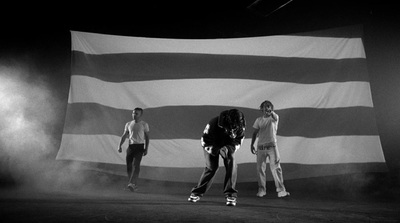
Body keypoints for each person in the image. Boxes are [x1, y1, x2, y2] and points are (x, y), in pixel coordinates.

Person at [188, 109, 246, 206]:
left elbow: (239, 141)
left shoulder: (241, 125)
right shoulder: (214, 123)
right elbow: (204, 141)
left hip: (228, 145)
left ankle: (231, 195)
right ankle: (196, 192)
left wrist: (229, 149)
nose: (233, 129)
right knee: (212, 167)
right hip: (211, 144)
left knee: (232, 164)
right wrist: (215, 150)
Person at [250, 100, 290, 198]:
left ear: (271, 108)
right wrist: (252, 145)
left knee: (276, 168)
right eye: (264, 106)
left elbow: (274, 116)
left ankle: (281, 190)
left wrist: (271, 113)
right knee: (260, 169)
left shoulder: (274, 118)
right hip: (261, 147)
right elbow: (255, 133)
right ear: (261, 108)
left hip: (272, 147)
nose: (266, 108)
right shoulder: (259, 120)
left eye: (268, 106)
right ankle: (261, 190)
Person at [118, 107, 150, 192]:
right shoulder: (128, 124)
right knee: (129, 166)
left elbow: (147, 138)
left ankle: (131, 183)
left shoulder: (144, 124)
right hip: (131, 147)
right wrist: (120, 145)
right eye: (133, 113)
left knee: (136, 165)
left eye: (136, 114)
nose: (134, 115)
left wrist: (146, 148)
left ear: (140, 115)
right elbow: (124, 135)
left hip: (139, 147)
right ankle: (133, 184)